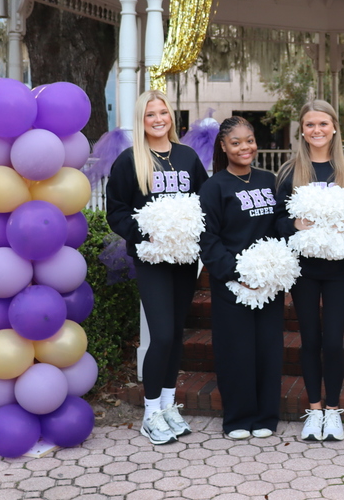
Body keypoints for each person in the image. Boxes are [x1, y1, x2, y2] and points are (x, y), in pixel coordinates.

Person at [106, 90, 208, 445]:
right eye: (150, 114)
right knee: (161, 335)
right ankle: (150, 413)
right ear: (142, 120)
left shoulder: (187, 157)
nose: (158, 119)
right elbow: (116, 211)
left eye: (163, 112)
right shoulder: (129, 161)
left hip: (183, 258)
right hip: (151, 258)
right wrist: (146, 230)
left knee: (176, 334)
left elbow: (203, 203)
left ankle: (167, 405)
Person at [275, 100, 344, 442]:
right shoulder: (289, 171)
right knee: (310, 339)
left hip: (339, 269)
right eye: (310, 124)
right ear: (302, 129)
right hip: (303, 270)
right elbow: (276, 221)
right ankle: (313, 410)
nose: (317, 130)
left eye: (323, 124)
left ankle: (332, 410)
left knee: (333, 340)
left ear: (334, 128)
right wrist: (295, 224)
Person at [199, 116, 286, 440]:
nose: (245, 147)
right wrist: (237, 274)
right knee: (236, 352)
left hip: (267, 284)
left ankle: (266, 416)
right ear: (224, 147)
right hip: (232, 285)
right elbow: (208, 239)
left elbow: (280, 225)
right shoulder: (214, 187)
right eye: (236, 142)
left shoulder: (269, 180)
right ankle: (237, 418)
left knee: (267, 350)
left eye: (249, 140)